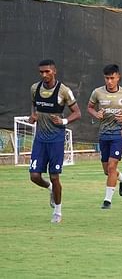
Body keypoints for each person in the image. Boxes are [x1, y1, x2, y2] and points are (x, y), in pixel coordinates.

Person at [28, 59, 81, 223]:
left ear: (54, 71)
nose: (44, 75)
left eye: (47, 72)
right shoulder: (35, 88)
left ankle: (57, 212)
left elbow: (77, 113)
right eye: (41, 72)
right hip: (40, 139)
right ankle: (50, 189)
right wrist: (34, 116)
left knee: (55, 177)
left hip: (56, 140)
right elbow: (34, 106)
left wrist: (64, 121)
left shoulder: (63, 91)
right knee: (34, 176)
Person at [87, 64, 122, 209]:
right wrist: (96, 114)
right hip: (104, 134)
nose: (109, 81)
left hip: (118, 134)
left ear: (118, 77)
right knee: (107, 170)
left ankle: (107, 201)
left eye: (112, 78)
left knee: (112, 166)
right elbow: (90, 107)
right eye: (107, 78)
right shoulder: (97, 92)